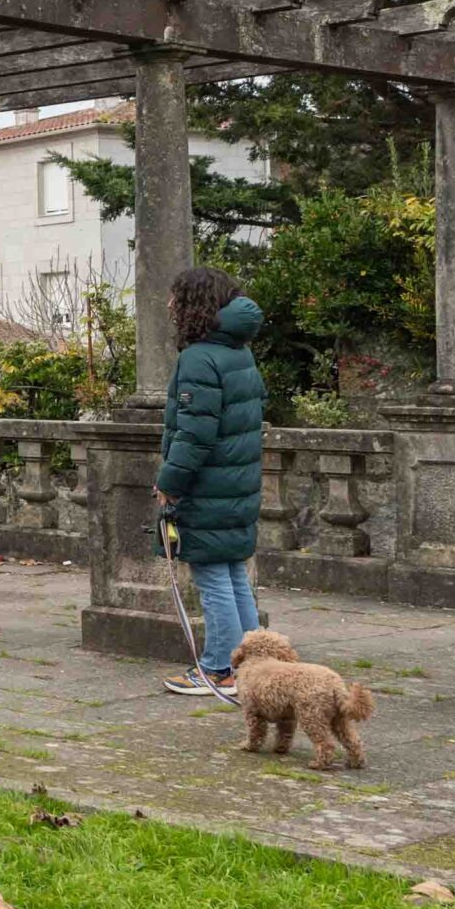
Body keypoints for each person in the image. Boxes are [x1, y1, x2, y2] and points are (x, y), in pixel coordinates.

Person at [153, 267, 266, 698]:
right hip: (237, 484)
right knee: (233, 574)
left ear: (195, 304)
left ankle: (219, 669)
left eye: (176, 298)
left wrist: (170, 482)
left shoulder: (199, 357)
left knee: (215, 578)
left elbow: (194, 432)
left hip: (209, 487)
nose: (169, 306)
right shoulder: (239, 352)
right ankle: (255, 666)